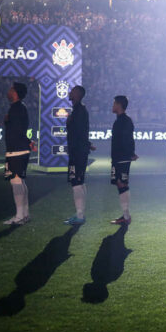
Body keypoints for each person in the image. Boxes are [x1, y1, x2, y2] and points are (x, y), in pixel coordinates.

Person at [3, 82, 31, 225]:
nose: (8, 91)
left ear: (15, 93)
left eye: (11, 89)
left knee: (16, 181)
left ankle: (19, 216)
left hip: (17, 150)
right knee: (20, 181)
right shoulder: (20, 108)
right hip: (19, 149)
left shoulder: (16, 108)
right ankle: (24, 214)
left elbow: (18, 130)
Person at [65, 85, 93, 226]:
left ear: (77, 94)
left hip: (77, 153)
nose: (70, 93)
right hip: (78, 151)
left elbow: (80, 132)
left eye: (72, 91)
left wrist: (85, 145)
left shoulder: (79, 111)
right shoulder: (78, 110)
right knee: (79, 182)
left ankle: (80, 215)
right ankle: (79, 213)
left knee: (76, 182)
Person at [110, 95, 137, 225]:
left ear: (119, 105)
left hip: (121, 158)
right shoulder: (122, 120)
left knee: (121, 184)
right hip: (120, 158)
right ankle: (126, 216)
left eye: (114, 103)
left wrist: (130, 153)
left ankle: (126, 217)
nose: (112, 105)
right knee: (121, 184)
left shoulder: (123, 121)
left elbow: (127, 139)